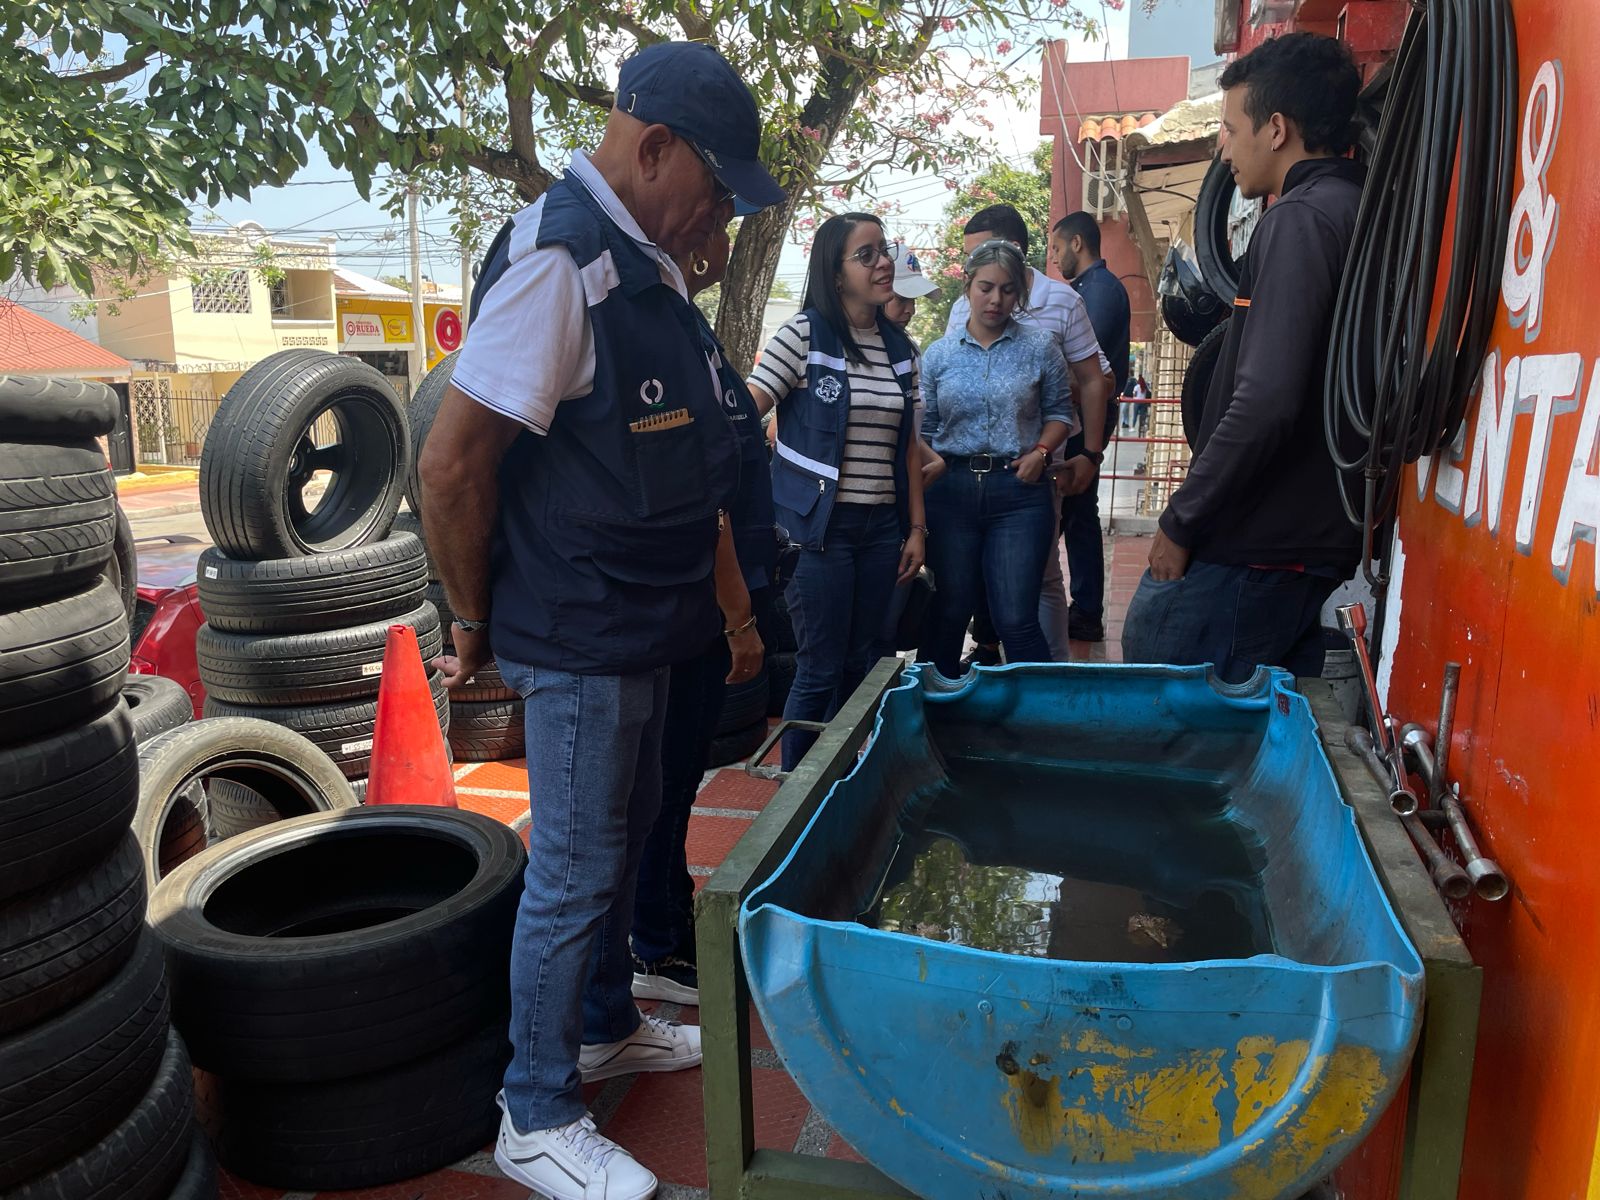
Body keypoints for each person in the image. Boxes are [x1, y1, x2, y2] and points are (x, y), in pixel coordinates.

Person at [418, 41, 784, 1200]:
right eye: (715, 187)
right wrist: (471, 619)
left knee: (624, 845)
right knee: (573, 869)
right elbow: (453, 466)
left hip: (643, 616)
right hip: (576, 626)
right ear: (652, 145)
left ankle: (604, 1021)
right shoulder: (558, 264)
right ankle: (535, 1110)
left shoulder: (646, 268)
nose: (718, 213)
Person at [1122, 32, 1365, 684]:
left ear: (1277, 129)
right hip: (1300, 541)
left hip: (1260, 545)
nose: (1222, 146)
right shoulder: (1353, 208)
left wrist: (1181, 518)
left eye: (1230, 129)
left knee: (1159, 693)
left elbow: (1266, 401)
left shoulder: (1301, 218)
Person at [629, 224, 775, 1008]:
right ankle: (655, 941)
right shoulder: (658, 330)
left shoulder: (693, 328)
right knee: (661, 782)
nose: (721, 227)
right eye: (712, 210)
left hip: (703, 602)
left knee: (676, 779)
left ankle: (665, 921)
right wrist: (737, 615)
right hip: (690, 603)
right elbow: (700, 497)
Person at [747, 214, 927, 771]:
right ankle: (793, 795)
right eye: (867, 255)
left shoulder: (903, 351)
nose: (883, 264)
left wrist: (916, 530)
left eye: (884, 251)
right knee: (818, 667)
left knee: (864, 663)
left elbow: (910, 450)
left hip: (881, 533)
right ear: (835, 270)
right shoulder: (804, 335)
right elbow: (746, 412)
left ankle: (843, 782)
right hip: (819, 535)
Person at [945, 204, 1110, 665]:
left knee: (1039, 578)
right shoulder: (959, 313)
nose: (987, 287)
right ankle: (991, 665)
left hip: (1035, 467)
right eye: (977, 276)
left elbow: (1098, 379)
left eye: (985, 255)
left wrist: (1089, 455)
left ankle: (1049, 679)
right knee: (973, 583)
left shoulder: (1061, 303)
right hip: (970, 472)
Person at [920, 239, 1075, 677]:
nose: (996, 299)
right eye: (986, 287)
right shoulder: (938, 355)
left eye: (1008, 290)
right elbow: (925, 430)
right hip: (950, 491)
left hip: (1019, 492)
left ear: (1019, 295)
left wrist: (1042, 453)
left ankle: (1042, 720)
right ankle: (934, 713)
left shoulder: (1040, 347)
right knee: (950, 608)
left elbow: (1061, 413)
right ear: (968, 286)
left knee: (1015, 616)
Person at [1049, 211, 1132, 643]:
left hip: (1086, 414)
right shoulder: (1090, 289)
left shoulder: (1097, 291)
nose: (1055, 258)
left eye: (1057, 248)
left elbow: (1086, 363)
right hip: (1081, 413)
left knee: (1076, 508)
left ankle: (1083, 609)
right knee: (1075, 511)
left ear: (1077, 243)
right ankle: (1076, 606)